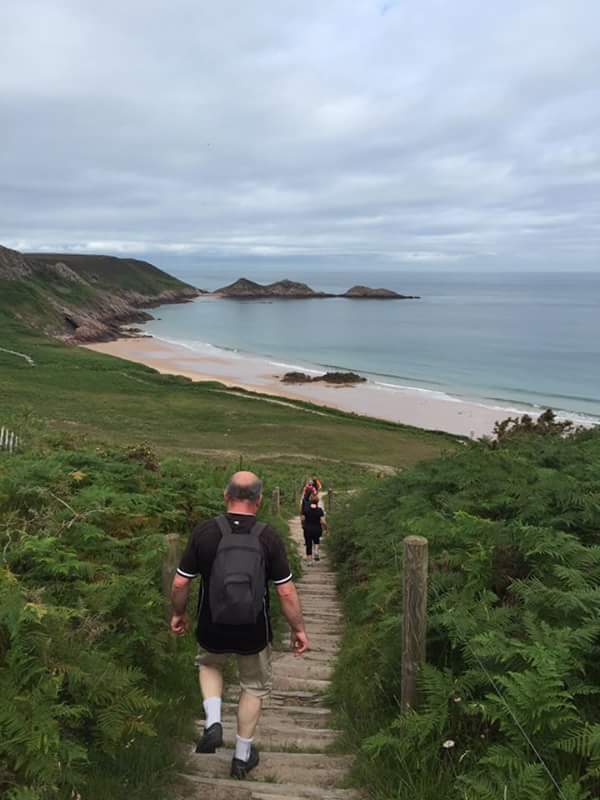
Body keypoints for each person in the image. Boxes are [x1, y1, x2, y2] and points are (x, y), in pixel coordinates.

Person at [170, 471, 309, 780]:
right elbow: (285, 591)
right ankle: (242, 757)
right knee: (254, 687)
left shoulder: (205, 532)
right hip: (254, 630)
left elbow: (181, 583)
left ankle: (213, 721)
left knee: (209, 664)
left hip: (212, 624)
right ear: (259, 500)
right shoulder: (268, 536)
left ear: (226, 496)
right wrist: (298, 629)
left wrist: (178, 613)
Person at [301, 489, 327, 563]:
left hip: (307, 529)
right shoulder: (320, 510)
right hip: (317, 528)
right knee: (316, 541)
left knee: (308, 544)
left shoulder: (306, 510)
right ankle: (316, 551)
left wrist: (303, 524)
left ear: (310, 501)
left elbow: (303, 519)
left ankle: (309, 561)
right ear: (318, 502)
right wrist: (326, 528)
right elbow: (323, 521)